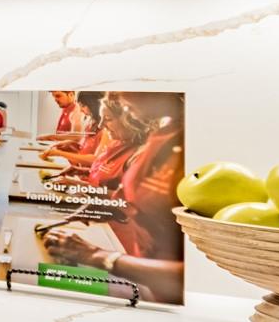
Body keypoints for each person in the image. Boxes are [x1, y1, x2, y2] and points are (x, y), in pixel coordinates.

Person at [41, 92, 185, 303]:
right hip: (141, 280)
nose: (114, 94)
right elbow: (127, 202)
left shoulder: (186, 140)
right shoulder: (162, 134)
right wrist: (95, 205)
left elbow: (190, 273)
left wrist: (96, 256)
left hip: (159, 293)